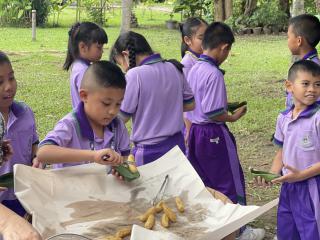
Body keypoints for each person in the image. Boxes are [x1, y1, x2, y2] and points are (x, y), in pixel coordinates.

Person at [186, 22, 265, 240]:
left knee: (205, 181)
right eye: (228, 50)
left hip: (195, 133)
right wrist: (232, 116)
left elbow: (197, 102)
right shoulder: (214, 73)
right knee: (229, 180)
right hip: (213, 134)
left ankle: (215, 226)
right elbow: (213, 112)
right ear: (223, 47)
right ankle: (239, 230)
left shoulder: (194, 69)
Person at [110, 31, 195, 166]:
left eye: (120, 63)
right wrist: (167, 104)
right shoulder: (174, 67)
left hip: (149, 152)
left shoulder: (134, 75)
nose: (124, 69)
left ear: (125, 55)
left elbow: (122, 117)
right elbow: (190, 104)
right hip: (177, 146)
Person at [262, 60, 320, 240]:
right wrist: (272, 173)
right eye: (306, 84)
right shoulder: (283, 118)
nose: (312, 89)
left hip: (312, 188)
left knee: (312, 232)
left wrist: (301, 175)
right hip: (288, 187)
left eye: (317, 84)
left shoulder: (317, 118)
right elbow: (281, 150)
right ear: (289, 86)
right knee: (287, 230)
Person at [37, 61, 129, 168]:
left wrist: (122, 168)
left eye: (118, 104)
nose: (113, 111)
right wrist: (93, 155)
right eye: (106, 103)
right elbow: (43, 153)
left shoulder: (117, 126)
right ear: (84, 96)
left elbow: (125, 158)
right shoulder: (70, 125)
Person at [0, 51, 39, 218]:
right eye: (0, 81)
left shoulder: (25, 113)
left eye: (11, 78)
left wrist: (37, 158)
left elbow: (34, 144)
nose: (8, 86)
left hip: (24, 196)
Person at [63, 22, 108, 109]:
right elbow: (92, 101)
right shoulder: (83, 71)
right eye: (99, 47)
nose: (102, 51)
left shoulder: (79, 66)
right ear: (83, 47)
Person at [180, 17, 208, 146]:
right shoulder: (187, 64)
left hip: (204, 121)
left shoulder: (202, 59)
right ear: (187, 40)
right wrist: (189, 129)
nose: (206, 42)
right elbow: (186, 100)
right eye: (201, 38)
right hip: (193, 124)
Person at [285, 14, 320, 108]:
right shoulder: (306, 64)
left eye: (288, 37)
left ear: (299, 41)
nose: (287, 41)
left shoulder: (312, 68)